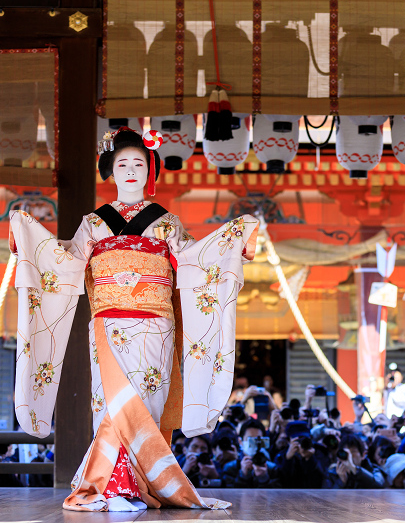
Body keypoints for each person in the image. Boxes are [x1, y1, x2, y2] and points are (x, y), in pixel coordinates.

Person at [9, 128, 258, 511]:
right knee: (108, 403)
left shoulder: (167, 223)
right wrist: (27, 233)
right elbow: (66, 262)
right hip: (107, 323)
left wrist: (234, 239)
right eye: (122, 163)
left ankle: (139, 483)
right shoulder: (93, 223)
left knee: (146, 399)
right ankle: (114, 486)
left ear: (149, 171)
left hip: (156, 326)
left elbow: (195, 261)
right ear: (111, 170)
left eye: (138, 164)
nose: (129, 170)